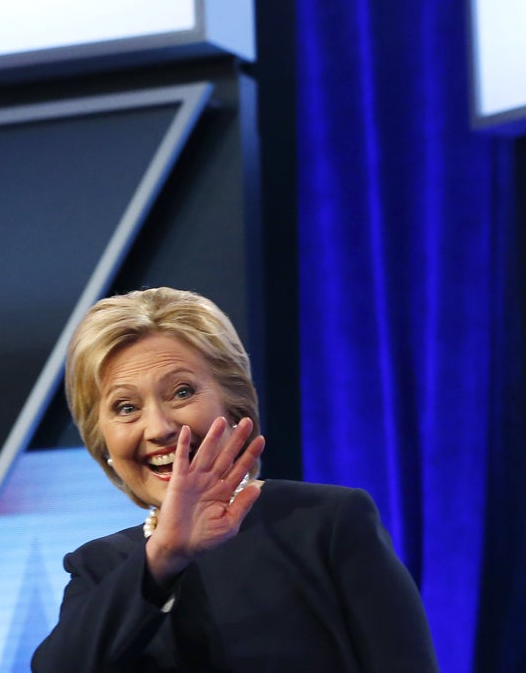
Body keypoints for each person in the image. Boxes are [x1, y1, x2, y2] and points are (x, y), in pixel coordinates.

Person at [31, 287, 438, 672]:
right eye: (125, 407)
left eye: (181, 392)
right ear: (101, 441)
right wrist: (164, 554)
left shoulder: (327, 523)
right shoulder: (99, 566)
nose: (158, 428)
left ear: (234, 402)